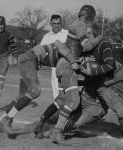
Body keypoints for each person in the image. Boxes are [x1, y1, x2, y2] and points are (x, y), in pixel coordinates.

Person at [34, 5, 102, 143]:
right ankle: (57, 131)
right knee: (73, 100)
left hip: (62, 65)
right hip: (68, 67)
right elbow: (87, 46)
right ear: (88, 16)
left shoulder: (76, 25)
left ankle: (41, 122)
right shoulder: (80, 25)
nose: (92, 21)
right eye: (91, 18)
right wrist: (99, 38)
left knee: (61, 99)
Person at [19, 14, 68, 100]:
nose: (57, 25)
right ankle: (58, 111)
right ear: (50, 24)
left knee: (68, 90)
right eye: (54, 23)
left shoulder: (67, 34)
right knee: (56, 91)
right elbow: (39, 52)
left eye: (59, 23)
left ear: (61, 23)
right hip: (55, 69)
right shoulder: (47, 37)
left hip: (68, 67)